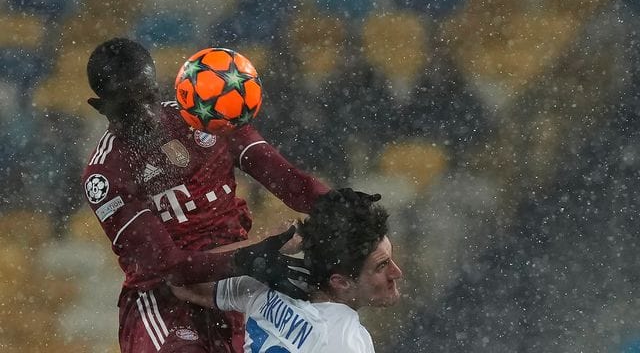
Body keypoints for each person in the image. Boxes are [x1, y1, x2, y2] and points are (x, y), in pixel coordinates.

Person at [81, 37, 333, 353]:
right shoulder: (104, 173)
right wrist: (252, 257)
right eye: (128, 108)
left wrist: (337, 204)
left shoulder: (203, 114)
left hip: (234, 290)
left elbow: (286, 180)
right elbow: (170, 267)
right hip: (165, 305)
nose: (146, 114)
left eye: (150, 96)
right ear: (100, 107)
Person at [171, 189, 403, 352]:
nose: (397, 273)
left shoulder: (265, 289)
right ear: (340, 282)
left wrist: (262, 245)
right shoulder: (347, 342)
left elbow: (180, 281)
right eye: (382, 266)